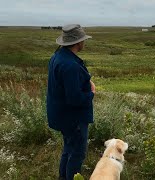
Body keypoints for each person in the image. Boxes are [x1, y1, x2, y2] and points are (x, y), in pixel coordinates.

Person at [46, 24, 95, 180]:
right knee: (77, 153)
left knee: (69, 149)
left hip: (62, 115)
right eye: (83, 40)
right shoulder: (70, 65)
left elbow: (65, 88)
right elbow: (75, 99)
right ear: (77, 42)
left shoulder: (58, 56)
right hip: (73, 118)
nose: (84, 43)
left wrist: (85, 82)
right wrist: (91, 93)